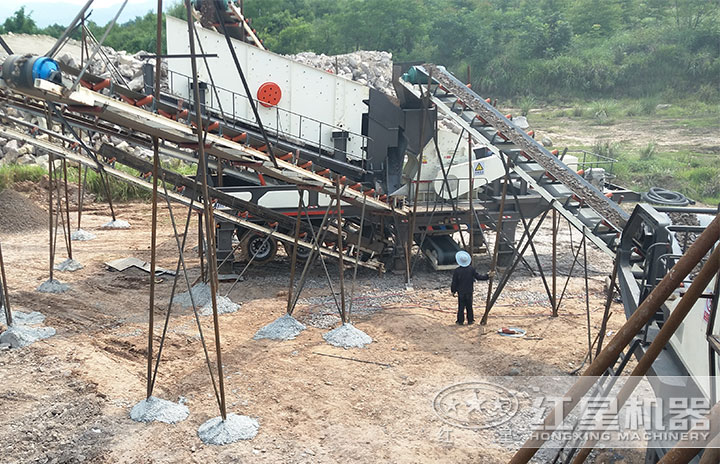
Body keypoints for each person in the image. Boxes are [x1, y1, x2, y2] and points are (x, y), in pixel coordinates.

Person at [451, 250, 491, 325]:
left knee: (461, 307)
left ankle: (460, 321)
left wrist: (453, 291)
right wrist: (487, 276)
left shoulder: (457, 271)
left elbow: (454, 282)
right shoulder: (471, 269)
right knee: (469, 306)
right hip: (469, 291)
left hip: (461, 292)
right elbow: (478, 277)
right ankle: (470, 320)